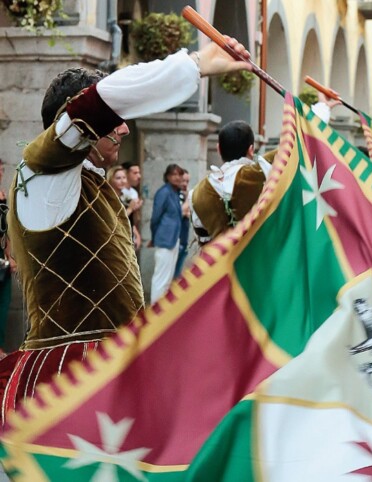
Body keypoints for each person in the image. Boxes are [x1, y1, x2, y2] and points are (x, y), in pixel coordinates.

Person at [0, 35, 252, 420]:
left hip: (108, 372)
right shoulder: (43, 172)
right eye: (113, 122)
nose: (124, 131)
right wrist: (196, 63)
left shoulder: (84, 181)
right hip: (68, 383)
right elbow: (98, 103)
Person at [190, 121, 270, 244]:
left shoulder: (196, 193)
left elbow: (203, 237)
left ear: (218, 149)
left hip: (219, 261)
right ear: (251, 149)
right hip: (262, 259)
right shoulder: (264, 175)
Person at [150, 164, 184, 302]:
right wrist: (154, 236)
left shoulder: (175, 192)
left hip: (174, 239)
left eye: (179, 174)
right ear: (167, 176)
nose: (177, 177)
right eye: (174, 174)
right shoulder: (163, 192)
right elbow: (155, 217)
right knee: (161, 277)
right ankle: (154, 307)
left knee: (168, 278)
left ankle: (161, 310)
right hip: (164, 239)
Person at [0, 160, 17, 358]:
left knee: (4, 303)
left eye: (2, 170)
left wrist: (10, 255)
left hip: (2, 258)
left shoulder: (3, 195)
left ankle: (1, 346)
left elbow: (7, 229)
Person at [108, 166, 142, 250]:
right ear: (111, 180)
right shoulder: (109, 199)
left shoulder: (126, 197)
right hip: (116, 240)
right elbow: (115, 220)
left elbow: (131, 221)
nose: (122, 181)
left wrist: (135, 209)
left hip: (128, 237)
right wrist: (130, 209)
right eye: (118, 178)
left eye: (124, 178)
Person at [175, 169, 191, 278]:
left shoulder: (184, 195)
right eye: (183, 181)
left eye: (187, 181)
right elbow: (179, 213)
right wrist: (187, 201)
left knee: (177, 275)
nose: (185, 184)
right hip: (175, 240)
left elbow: (188, 213)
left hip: (184, 239)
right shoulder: (174, 195)